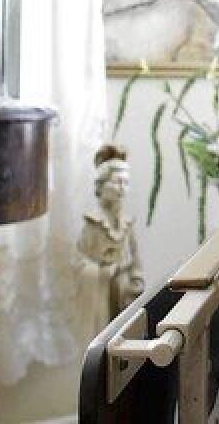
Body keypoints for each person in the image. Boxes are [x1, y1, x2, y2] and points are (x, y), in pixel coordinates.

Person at [76, 145, 144, 340]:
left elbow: (135, 257)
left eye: (126, 182)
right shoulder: (93, 224)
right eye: (117, 182)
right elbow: (79, 263)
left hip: (125, 293)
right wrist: (103, 271)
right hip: (102, 296)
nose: (122, 188)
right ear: (101, 185)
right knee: (104, 337)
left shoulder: (127, 223)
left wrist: (136, 278)